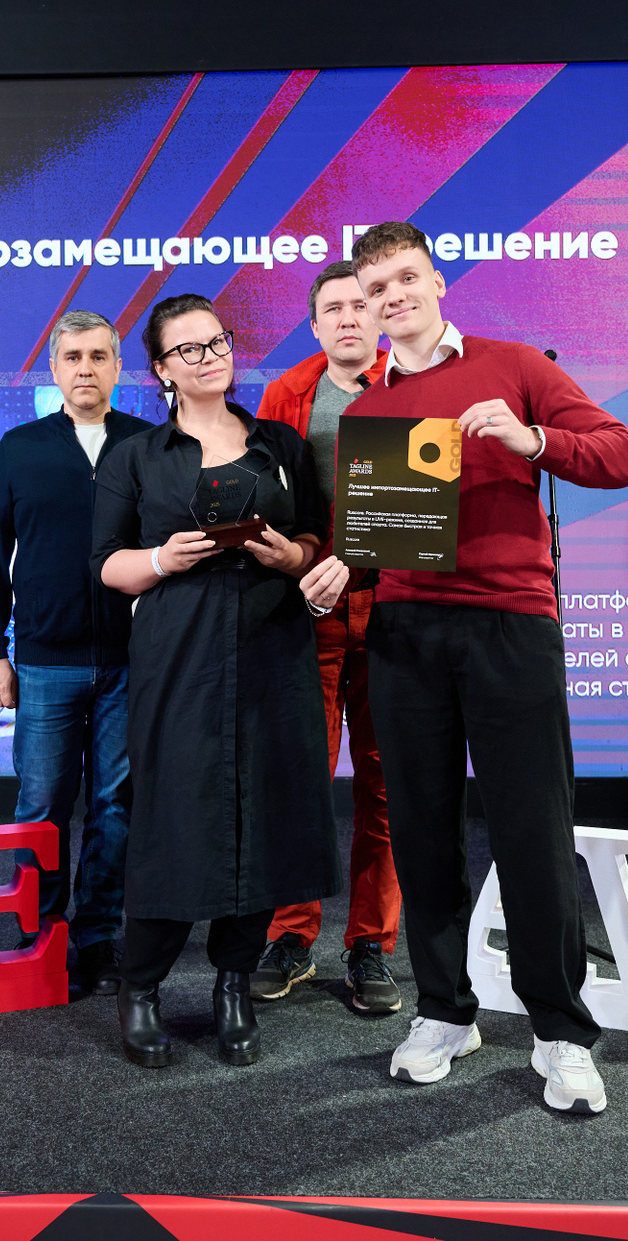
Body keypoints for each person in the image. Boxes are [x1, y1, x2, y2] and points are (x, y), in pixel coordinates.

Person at [311, 222, 628, 1114]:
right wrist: (343, 565)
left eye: (405, 279)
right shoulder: (368, 412)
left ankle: (561, 1031)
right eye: (375, 290)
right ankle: (445, 1012)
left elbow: (621, 455)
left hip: (510, 627)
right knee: (421, 833)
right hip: (405, 636)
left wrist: (533, 440)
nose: (392, 298)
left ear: (437, 281)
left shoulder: (515, 366)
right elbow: (377, 540)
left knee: (533, 834)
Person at [91, 293, 341, 1069]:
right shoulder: (136, 455)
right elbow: (107, 564)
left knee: (263, 816)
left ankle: (234, 986)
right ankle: (142, 988)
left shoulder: (280, 444)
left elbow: (314, 539)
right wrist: (163, 557)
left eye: (219, 342)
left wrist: (290, 556)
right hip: (179, 653)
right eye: (190, 350)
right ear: (161, 369)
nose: (211, 358)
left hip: (274, 647)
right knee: (172, 819)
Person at [0, 310, 152, 997]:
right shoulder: (20, 448)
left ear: (118, 367)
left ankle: (98, 936)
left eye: (99, 356)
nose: (85, 369)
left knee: (114, 806)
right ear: (54, 368)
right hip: (45, 662)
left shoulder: (147, 445)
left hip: (130, 662)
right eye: (73, 357)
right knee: (41, 802)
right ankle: (38, 934)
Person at [248, 261, 400, 1013]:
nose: (347, 317)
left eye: (359, 304)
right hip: (308, 613)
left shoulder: (410, 385)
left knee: (386, 786)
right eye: (332, 308)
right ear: (314, 325)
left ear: (379, 316)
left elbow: (425, 509)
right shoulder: (285, 395)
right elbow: (270, 503)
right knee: (300, 780)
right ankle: (291, 935)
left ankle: (371, 943)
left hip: (395, 612)